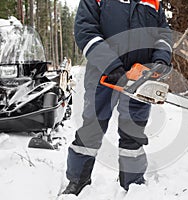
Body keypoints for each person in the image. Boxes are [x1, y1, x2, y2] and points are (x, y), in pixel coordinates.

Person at [62, 0, 172, 195]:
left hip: (141, 76)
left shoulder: (153, 2)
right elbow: (85, 30)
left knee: (134, 130)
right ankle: (77, 180)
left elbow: (162, 34)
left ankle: (133, 181)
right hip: (103, 74)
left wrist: (161, 59)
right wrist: (111, 65)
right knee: (93, 126)